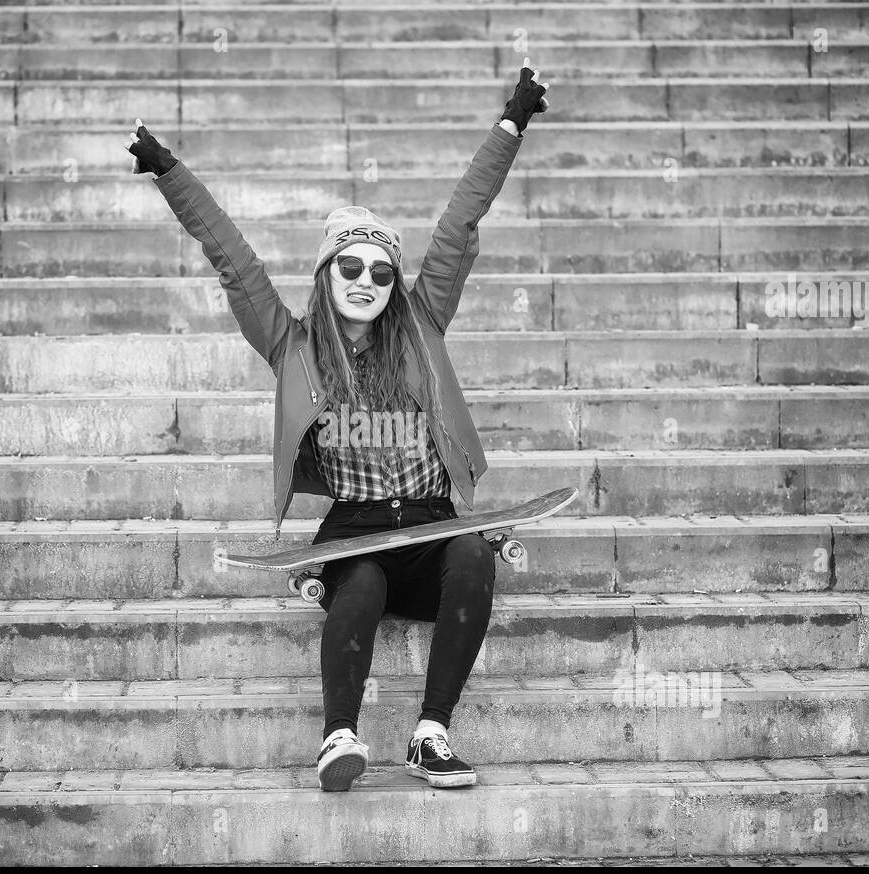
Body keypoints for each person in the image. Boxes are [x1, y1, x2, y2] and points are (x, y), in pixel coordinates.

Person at [127, 60, 551, 791]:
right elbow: (234, 261)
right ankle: (338, 738)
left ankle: (431, 734)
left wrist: (510, 124)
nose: (365, 281)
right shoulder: (289, 345)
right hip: (357, 531)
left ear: (395, 286)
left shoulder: (422, 326)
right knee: (356, 588)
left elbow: (459, 226)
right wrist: (170, 174)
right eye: (349, 267)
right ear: (327, 274)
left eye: (381, 272)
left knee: (474, 561)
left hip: (430, 525)